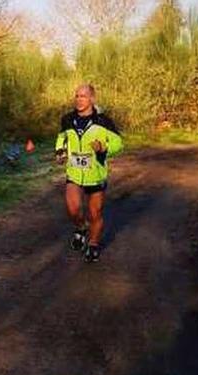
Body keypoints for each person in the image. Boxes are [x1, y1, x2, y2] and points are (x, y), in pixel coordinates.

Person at [55, 84, 123, 262]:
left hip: (95, 174)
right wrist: (60, 151)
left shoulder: (103, 121)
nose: (79, 99)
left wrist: (104, 147)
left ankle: (93, 244)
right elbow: (61, 138)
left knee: (95, 213)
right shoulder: (67, 119)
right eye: (77, 96)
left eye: (83, 96)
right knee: (73, 208)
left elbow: (118, 144)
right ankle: (81, 227)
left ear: (92, 99)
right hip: (75, 172)